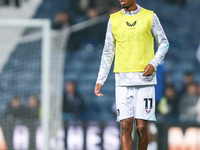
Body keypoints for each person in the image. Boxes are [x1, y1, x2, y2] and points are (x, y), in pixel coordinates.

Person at [94, 0, 169, 149]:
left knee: (141, 128)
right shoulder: (114, 20)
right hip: (122, 81)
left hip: (145, 81)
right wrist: (100, 79)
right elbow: (108, 52)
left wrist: (153, 64)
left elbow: (164, 43)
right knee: (126, 126)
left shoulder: (150, 17)